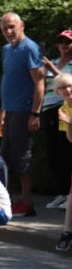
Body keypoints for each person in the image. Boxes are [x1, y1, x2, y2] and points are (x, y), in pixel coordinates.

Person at [0, 12, 44, 217]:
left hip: (24, 111)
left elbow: (39, 83)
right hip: (10, 111)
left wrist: (35, 113)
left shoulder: (30, 48)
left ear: (21, 25)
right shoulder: (6, 50)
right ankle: (8, 201)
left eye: (12, 27)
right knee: (4, 158)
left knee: (22, 157)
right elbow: (9, 81)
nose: (8, 31)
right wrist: (2, 111)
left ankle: (27, 203)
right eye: (5, 28)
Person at [42, 30, 72, 209]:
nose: (63, 45)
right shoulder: (51, 61)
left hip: (65, 107)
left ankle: (69, 194)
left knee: (66, 149)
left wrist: (52, 70)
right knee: (53, 151)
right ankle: (62, 193)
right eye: (61, 41)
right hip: (48, 109)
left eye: (67, 42)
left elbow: (67, 84)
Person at [53, 73, 72, 253]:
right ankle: (67, 233)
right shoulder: (63, 110)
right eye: (62, 87)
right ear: (57, 92)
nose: (67, 90)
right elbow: (70, 138)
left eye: (70, 85)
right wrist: (69, 123)